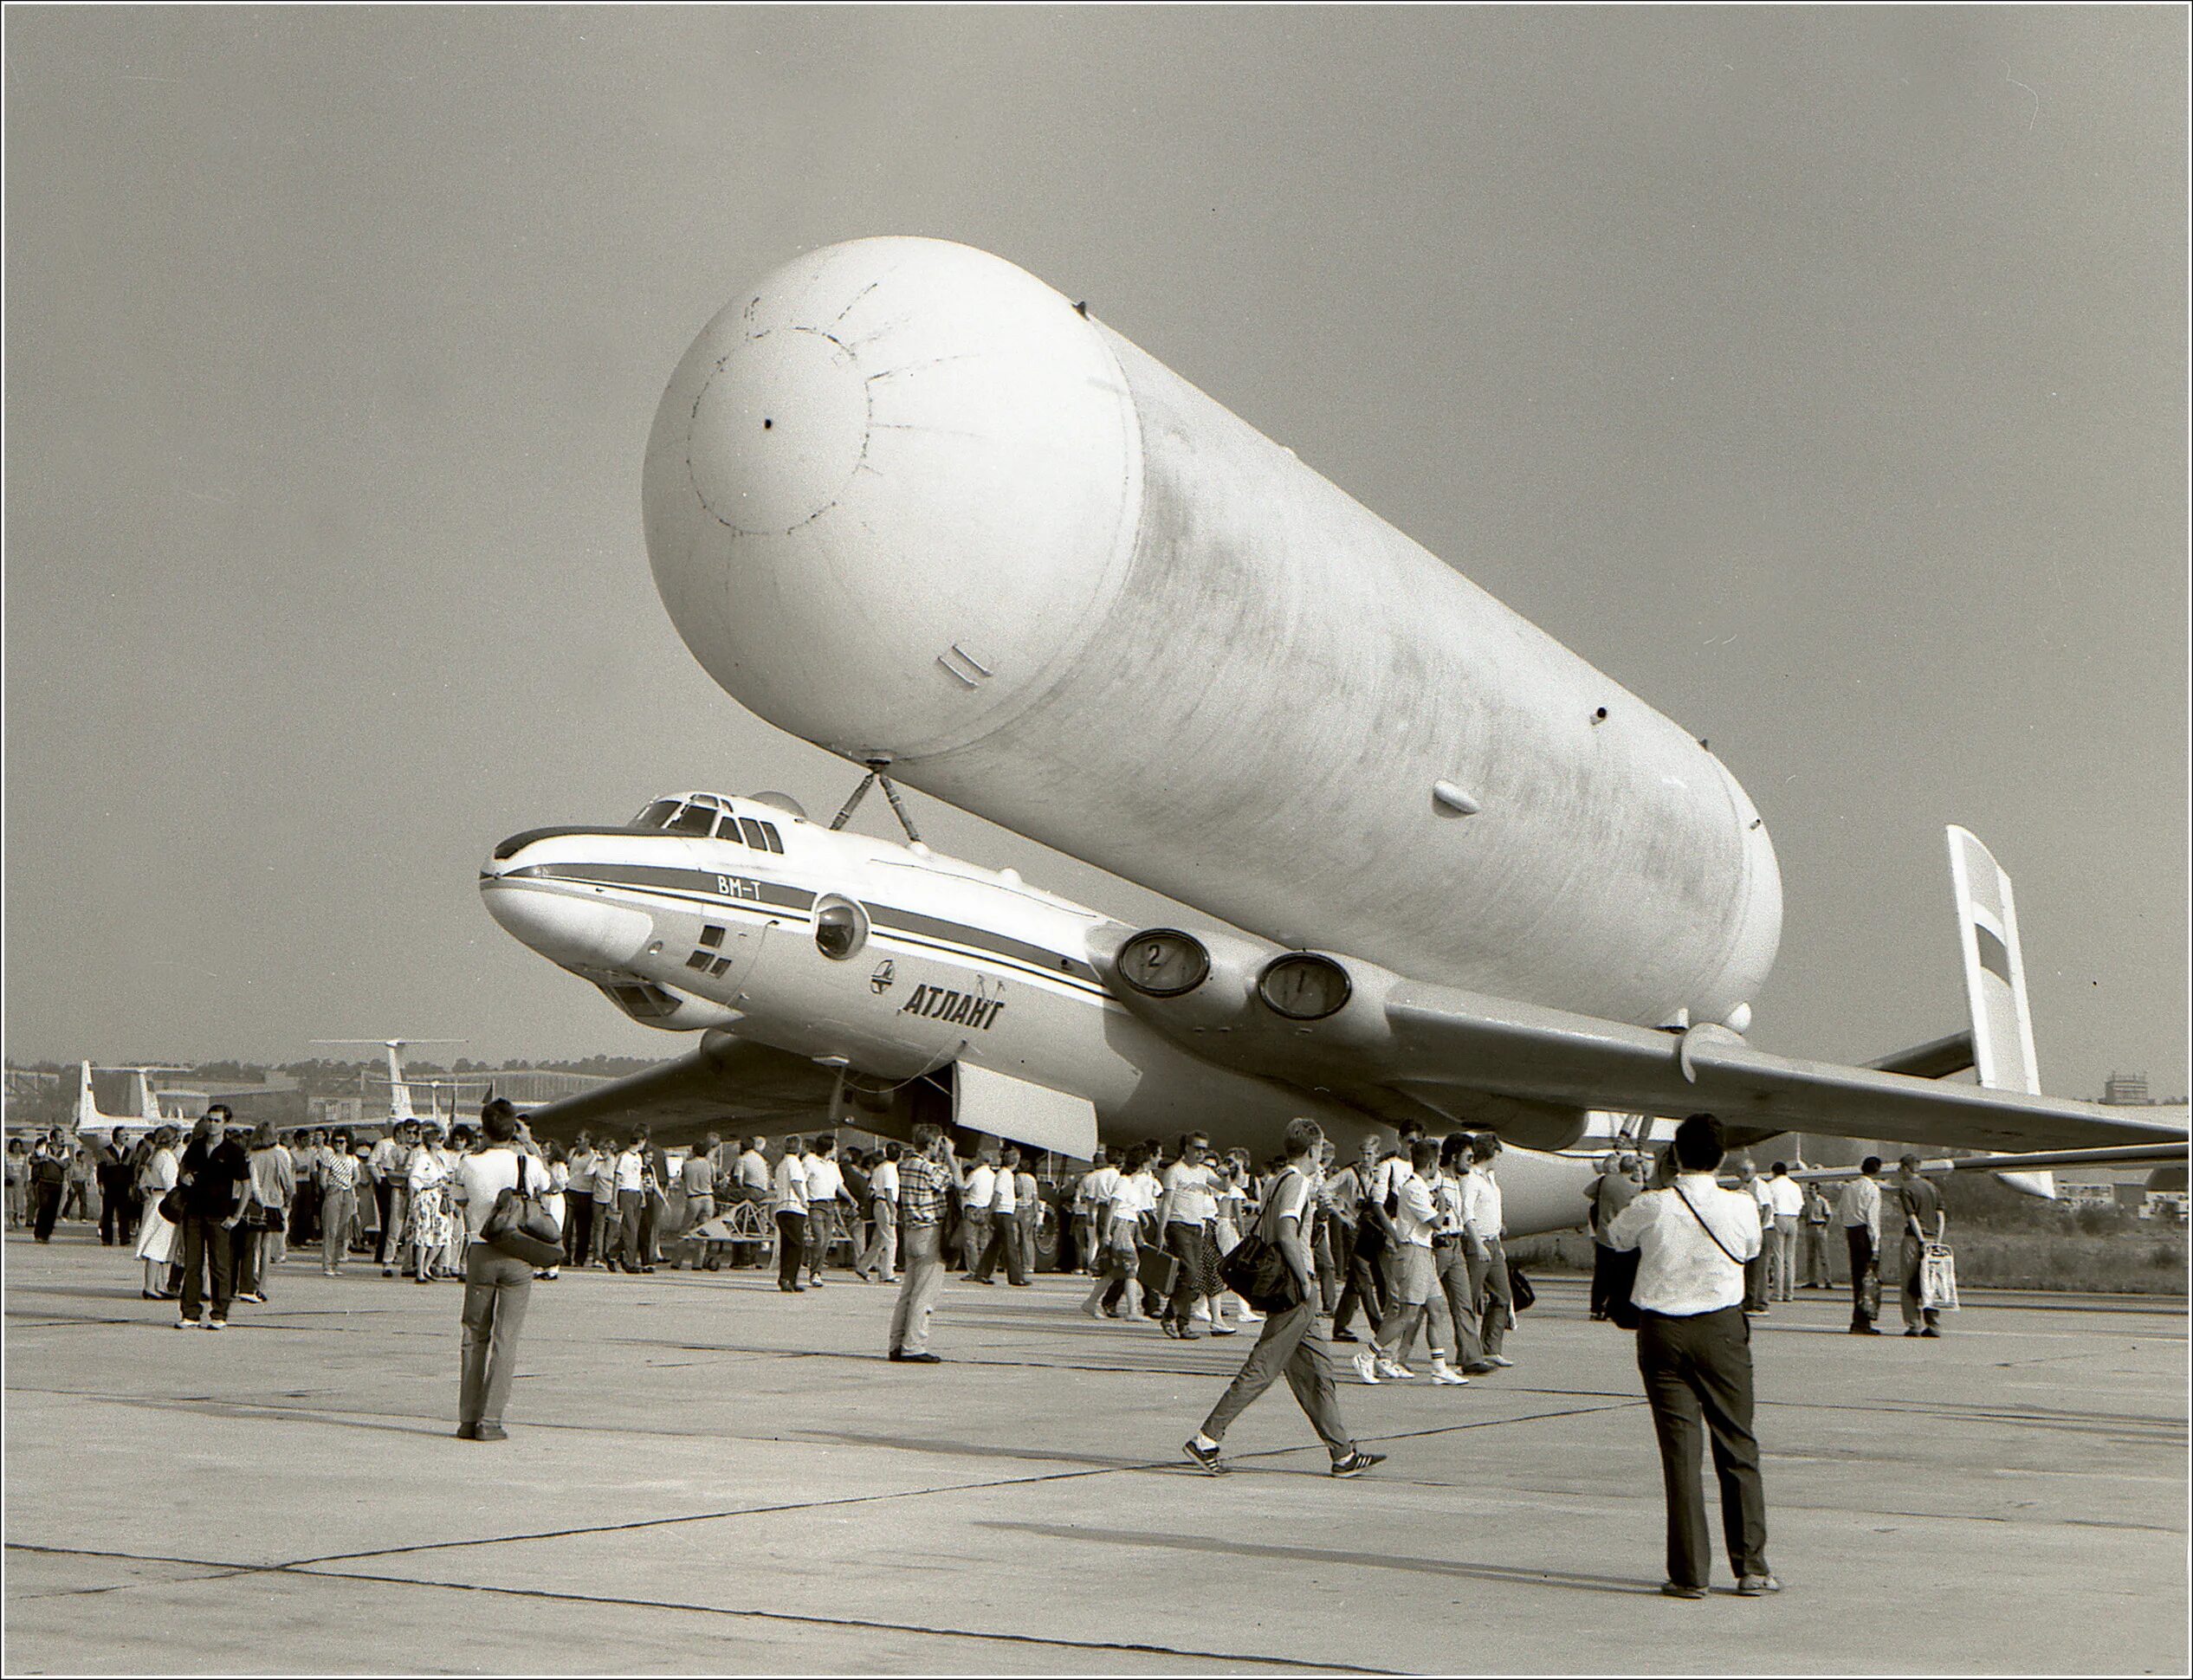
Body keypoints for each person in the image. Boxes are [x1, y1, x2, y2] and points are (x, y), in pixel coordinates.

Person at [1602, 1112, 1776, 1599]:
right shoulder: (1740, 1205)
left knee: (1681, 1454)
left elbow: (1613, 1237)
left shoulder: (1653, 1204)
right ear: (1721, 1157)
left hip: (1662, 1333)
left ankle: (1688, 1574)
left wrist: (1659, 1184)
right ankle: (1752, 1567)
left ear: (1674, 1155)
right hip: (1721, 1329)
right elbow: (1749, 1249)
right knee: (1738, 1444)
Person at [1183, 1118, 1385, 1479]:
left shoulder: (1281, 1181)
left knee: (1318, 1371)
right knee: (1262, 1368)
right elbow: (1287, 1234)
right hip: (1294, 1289)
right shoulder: (1297, 1183)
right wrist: (1306, 1281)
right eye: (1321, 1151)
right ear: (1313, 1150)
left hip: (1295, 1292)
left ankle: (1342, 1453)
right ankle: (1206, 1439)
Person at [454, 1099, 541, 1441]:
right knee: (506, 1340)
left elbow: (459, 1198)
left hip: (481, 1250)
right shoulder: (528, 1162)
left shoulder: (469, 1163)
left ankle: (467, 1418)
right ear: (513, 1128)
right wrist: (530, 1142)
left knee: (474, 1336)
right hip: (518, 1254)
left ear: (484, 1128)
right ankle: (490, 1421)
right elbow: (551, 1187)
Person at [1355, 1139, 1470, 1386]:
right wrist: (1441, 1203)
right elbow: (1437, 1222)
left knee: (1436, 1308)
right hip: (1413, 1252)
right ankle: (1368, 1355)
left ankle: (1439, 1366)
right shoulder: (1414, 1189)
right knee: (1407, 1314)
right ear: (1430, 1164)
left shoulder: (1419, 1187)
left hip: (1424, 1253)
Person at [886, 1124, 962, 1362]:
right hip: (930, 1231)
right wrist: (950, 1156)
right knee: (924, 1293)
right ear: (930, 1144)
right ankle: (914, 1345)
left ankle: (896, 1343)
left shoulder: (906, 1165)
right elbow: (959, 1183)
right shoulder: (927, 1168)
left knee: (907, 1292)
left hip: (911, 1230)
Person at [174, 1109, 250, 1329]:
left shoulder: (233, 1151)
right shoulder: (196, 1146)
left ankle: (219, 1313)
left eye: (217, 1121)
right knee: (192, 1264)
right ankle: (190, 1312)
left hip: (219, 1215)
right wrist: (183, 1176)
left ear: (225, 1124)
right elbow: (183, 1166)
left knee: (219, 1266)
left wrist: (236, 1216)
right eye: (209, 1120)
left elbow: (246, 1186)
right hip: (194, 1213)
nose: (212, 1124)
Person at [1461, 1134, 1514, 1367]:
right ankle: (1468, 1350)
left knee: (1503, 1295)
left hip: (1493, 1242)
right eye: (1497, 1155)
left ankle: (1491, 1347)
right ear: (1489, 1154)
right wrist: (1478, 1243)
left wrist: (1498, 1243)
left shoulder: (1490, 1178)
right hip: (1478, 1242)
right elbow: (1468, 1213)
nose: (1498, 1161)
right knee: (1470, 1297)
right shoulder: (1471, 1179)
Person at [1328, 1137, 1387, 1341]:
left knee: (1354, 1281)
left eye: (1369, 1154)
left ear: (1377, 1155)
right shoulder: (1349, 1174)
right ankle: (1378, 1325)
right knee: (1363, 1278)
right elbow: (1324, 1190)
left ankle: (1340, 1326)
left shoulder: (1381, 1175)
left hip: (1373, 1232)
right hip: (1354, 1229)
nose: (1365, 1158)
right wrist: (1339, 1212)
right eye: (1362, 1153)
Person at [236, 1122, 294, 1302]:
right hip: (273, 1202)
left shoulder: (250, 1155)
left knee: (251, 1246)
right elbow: (288, 1183)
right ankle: (262, 1285)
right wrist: (288, 1199)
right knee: (266, 1245)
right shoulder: (279, 1155)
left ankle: (248, 1281)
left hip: (252, 1203)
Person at [1894, 1155, 1946, 1338]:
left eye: (1901, 1169)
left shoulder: (1906, 1189)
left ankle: (1914, 1323)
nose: (1900, 1172)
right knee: (1930, 1282)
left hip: (1914, 1239)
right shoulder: (1932, 1188)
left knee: (1910, 1282)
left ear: (1907, 1168)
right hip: (1934, 1239)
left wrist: (1921, 1239)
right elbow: (1940, 1215)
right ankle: (1933, 1323)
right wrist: (1937, 1239)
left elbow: (1912, 1217)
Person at [1587, 1152, 1642, 1321]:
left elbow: (1588, 1192)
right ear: (1633, 1170)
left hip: (1603, 1234)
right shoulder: (1635, 1188)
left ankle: (1597, 1307)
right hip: (1622, 1238)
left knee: (1601, 1274)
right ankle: (1614, 1307)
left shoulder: (1605, 1181)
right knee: (1621, 1276)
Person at [967, 1144, 1031, 1287]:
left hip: (1003, 1212)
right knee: (1011, 1246)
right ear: (1016, 1161)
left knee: (994, 1245)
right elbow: (997, 1194)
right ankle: (1016, 1277)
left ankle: (982, 1273)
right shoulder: (1004, 1175)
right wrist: (991, 1211)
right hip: (1003, 1213)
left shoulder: (1007, 1175)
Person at [133, 1125, 183, 1298]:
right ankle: (150, 1287)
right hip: (165, 1202)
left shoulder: (153, 1156)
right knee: (158, 1244)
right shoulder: (167, 1157)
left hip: (153, 1200)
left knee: (157, 1243)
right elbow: (172, 1184)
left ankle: (157, 1285)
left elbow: (143, 1182)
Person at [1837, 1157, 1885, 1334]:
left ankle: (1857, 1319)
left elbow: (1841, 1211)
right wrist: (1876, 1243)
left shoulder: (1849, 1187)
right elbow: (1872, 1219)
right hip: (1865, 1233)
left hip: (1852, 1231)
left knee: (1857, 1278)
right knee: (1869, 1279)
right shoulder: (1872, 1189)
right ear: (1877, 1171)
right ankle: (1863, 1320)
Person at [404, 1122, 456, 1286]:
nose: (441, 1143)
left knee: (441, 1235)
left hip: (440, 1199)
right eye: (438, 1140)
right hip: (427, 1199)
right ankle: (420, 1270)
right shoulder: (423, 1159)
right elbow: (414, 1178)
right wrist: (425, 1186)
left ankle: (427, 1266)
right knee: (424, 1235)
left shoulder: (441, 1160)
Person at [370, 1120, 417, 1276]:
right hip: (399, 1190)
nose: (411, 1136)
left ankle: (408, 1264)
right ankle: (388, 1261)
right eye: (408, 1132)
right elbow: (389, 1173)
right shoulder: (396, 1151)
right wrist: (407, 1175)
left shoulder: (422, 1152)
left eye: (415, 1133)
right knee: (394, 1227)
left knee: (412, 1229)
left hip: (416, 1193)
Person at [801, 1135, 848, 1285]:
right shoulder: (810, 1161)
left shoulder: (833, 1166)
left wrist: (851, 1198)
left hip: (830, 1204)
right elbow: (802, 1180)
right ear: (828, 1148)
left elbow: (839, 1185)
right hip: (816, 1204)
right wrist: (804, 1199)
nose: (836, 1150)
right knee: (819, 1239)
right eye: (834, 1147)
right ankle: (814, 1272)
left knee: (826, 1241)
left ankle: (817, 1270)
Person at [317, 1128, 363, 1274]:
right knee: (330, 1229)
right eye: (336, 1142)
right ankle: (327, 1264)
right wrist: (330, 1190)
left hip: (347, 1192)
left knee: (342, 1229)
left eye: (341, 1142)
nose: (338, 1145)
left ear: (347, 1143)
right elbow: (322, 1179)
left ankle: (335, 1262)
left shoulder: (352, 1159)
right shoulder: (329, 1158)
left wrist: (350, 1185)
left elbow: (357, 1177)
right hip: (334, 1192)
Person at [772, 1136, 811, 1292]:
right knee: (796, 1244)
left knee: (788, 1244)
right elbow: (796, 1181)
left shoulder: (782, 1164)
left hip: (782, 1206)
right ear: (799, 1147)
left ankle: (788, 1278)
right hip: (792, 1206)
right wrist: (803, 1199)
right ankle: (788, 1277)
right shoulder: (794, 1162)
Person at [1733, 1159, 1772, 1314]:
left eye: (1739, 1174)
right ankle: (1750, 1299)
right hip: (1752, 1231)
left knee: (1760, 1267)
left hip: (1762, 1230)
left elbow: (1767, 1208)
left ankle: (1761, 1302)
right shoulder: (1747, 1186)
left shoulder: (1759, 1186)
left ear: (1746, 1172)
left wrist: (1760, 1229)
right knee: (1751, 1267)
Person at [857, 1143, 901, 1282]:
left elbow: (871, 1189)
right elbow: (888, 1190)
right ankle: (887, 1272)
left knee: (879, 1240)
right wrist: (893, 1211)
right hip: (886, 1204)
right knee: (891, 1240)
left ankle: (863, 1266)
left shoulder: (879, 1168)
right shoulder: (891, 1169)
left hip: (878, 1203)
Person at [1765, 1163, 1804, 1302]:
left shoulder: (1772, 1185)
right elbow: (1800, 1205)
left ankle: (1778, 1292)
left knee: (1778, 1257)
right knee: (1790, 1257)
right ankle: (1790, 1293)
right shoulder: (1795, 1186)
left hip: (1779, 1217)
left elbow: (1769, 1205)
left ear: (1774, 1172)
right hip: (1793, 1219)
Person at [675, 1143, 715, 1269]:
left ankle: (676, 1262)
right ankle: (697, 1263)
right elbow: (714, 1180)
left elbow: (683, 1179)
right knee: (703, 1232)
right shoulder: (710, 1165)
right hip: (708, 1198)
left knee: (685, 1231)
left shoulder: (687, 1165)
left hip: (693, 1198)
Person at [959, 1149, 996, 1276]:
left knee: (971, 1241)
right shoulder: (993, 1176)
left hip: (972, 1208)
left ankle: (974, 1270)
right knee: (984, 1242)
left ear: (980, 1159)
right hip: (986, 1209)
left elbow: (964, 1187)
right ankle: (985, 1269)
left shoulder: (974, 1174)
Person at [28, 1140, 68, 1243]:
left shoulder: (64, 1150)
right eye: (60, 1136)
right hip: (44, 1182)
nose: (62, 1139)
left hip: (57, 1183)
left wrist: (51, 1158)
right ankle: (39, 1233)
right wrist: (41, 1160)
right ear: (53, 1139)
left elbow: (64, 1165)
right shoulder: (44, 1148)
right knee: (44, 1206)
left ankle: (46, 1234)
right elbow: (32, 1160)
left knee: (53, 1209)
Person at [97, 1140, 135, 1245]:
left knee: (124, 1213)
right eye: (122, 1136)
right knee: (108, 1213)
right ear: (116, 1138)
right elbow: (101, 1168)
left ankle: (124, 1237)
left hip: (124, 1186)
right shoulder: (106, 1151)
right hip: (109, 1186)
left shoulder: (128, 1151)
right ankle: (107, 1238)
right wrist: (101, 1184)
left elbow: (131, 1170)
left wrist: (131, 1186)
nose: (125, 1138)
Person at [1799, 1179, 1835, 1288]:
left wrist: (1825, 1227)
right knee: (1811, 1256)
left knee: (1823, 1255)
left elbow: (1829, 1215)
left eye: (1812, 1190)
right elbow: (1803, 1214)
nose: (1810, 1192)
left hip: (1820, 1227)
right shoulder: (1807, 1202)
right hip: (1810, 1227)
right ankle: (1812, 1280)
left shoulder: (1823, 1201)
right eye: (1809, 1190)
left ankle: (1827, 1280)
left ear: (1817, 1191)